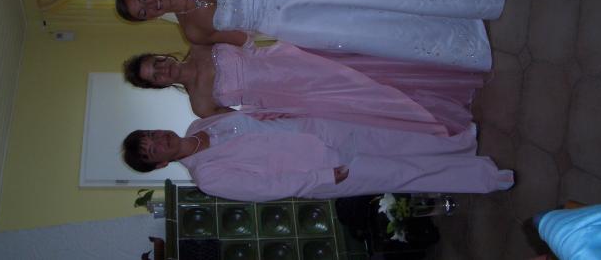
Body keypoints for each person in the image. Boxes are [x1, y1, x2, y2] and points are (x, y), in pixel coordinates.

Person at [115, 0, 506, 71]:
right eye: (143, 13)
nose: (150, 6)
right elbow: (239, 39)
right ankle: (464, 41)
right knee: (368, 31)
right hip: (279, 22)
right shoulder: (192, 33)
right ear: (147, 21)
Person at [121, 110, 514, 202]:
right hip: (322, 169)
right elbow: (268, 188)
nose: (160, 140)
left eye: (152, 135)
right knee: (402, 174)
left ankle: (460, 144)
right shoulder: (208, 177)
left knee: (395, 141)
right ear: (161, 164)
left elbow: (253, 118)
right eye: (154, 150)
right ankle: (485, 178)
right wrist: (322, 179)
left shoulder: (199, 125)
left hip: (314, 130)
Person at [123, 41, 483, 135]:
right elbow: (247, 123)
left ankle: (446, 84)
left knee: (364, 70)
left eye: (157, 62)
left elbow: (242, 33)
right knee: (362, 98)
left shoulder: (199, 45)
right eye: (156, 76)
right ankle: (434, 114)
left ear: (160, 55)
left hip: (290, 61)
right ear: (159, 85)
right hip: (291, 96)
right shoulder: (201, 106)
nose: (163, 69)